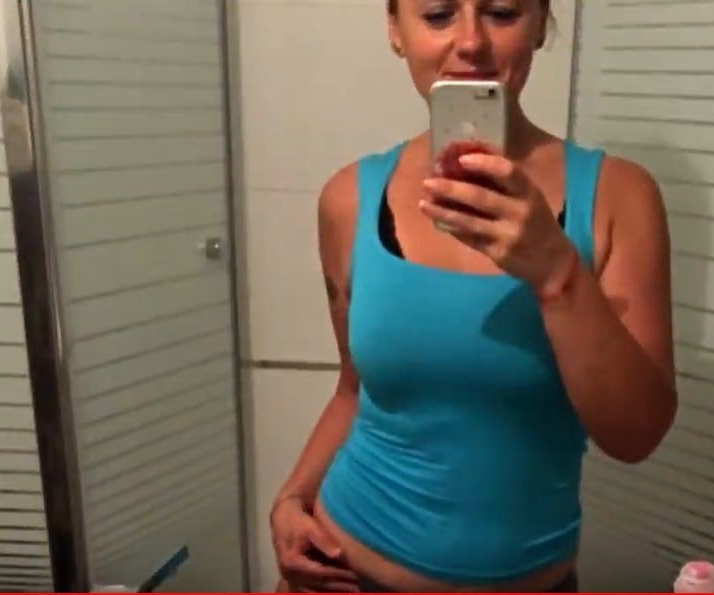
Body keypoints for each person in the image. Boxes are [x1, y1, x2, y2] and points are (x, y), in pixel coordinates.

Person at [269, 0, 678, 591]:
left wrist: (557, 273)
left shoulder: (617, 196)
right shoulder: (349, 198)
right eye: (438, 14)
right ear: (395, 31)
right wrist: (291, 497)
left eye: (501, 12)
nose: (470, 42)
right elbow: (353, 391)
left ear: (540, 23)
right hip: (341, 570)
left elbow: (637, 435)